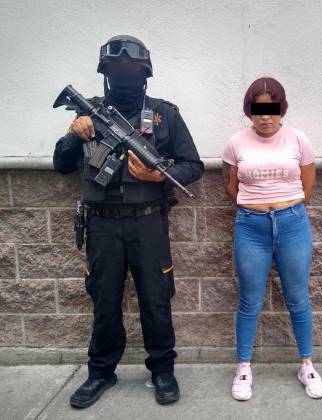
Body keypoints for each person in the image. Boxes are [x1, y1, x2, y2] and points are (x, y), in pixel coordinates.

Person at [53, 35, 204, 408]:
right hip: (102, 225)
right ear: (105, 73)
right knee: (104, 301)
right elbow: (61, 164)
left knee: (156, 299)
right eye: (116, 69)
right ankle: (100, 372)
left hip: (148, 223)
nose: (124, 76)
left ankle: (162, 370)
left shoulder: (165, 114)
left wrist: (157, 176)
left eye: (132, 70)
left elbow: (193, 165)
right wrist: (73, 135)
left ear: (145, 74)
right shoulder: (88, 115)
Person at [221, 77, 322, 401]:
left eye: (272, 109)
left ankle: (307, 365)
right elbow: (230, 186)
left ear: (282, 109)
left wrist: (284, 207)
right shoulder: (235, 143)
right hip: (251, 228)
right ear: (249, 111)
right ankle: (243, 367)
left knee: (298, 298)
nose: (265, 117)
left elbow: (308, 186)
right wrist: (255, 206)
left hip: (293, 225)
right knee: (249, 300)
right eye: (258, 110)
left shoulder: (299, 139)